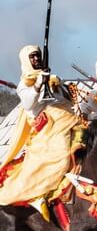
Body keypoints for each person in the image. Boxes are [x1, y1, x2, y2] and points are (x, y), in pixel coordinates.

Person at [0, 45, 79, 220]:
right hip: (47, 130)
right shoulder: (25, 83)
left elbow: (65, 100)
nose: (36, 59)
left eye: (38, 56)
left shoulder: (52, 78)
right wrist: (38, 84)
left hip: (67, 119)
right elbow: (28, 104)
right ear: (26, 60)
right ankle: (42, 196)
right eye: (33, 57)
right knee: (60, 153)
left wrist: (62, 86)